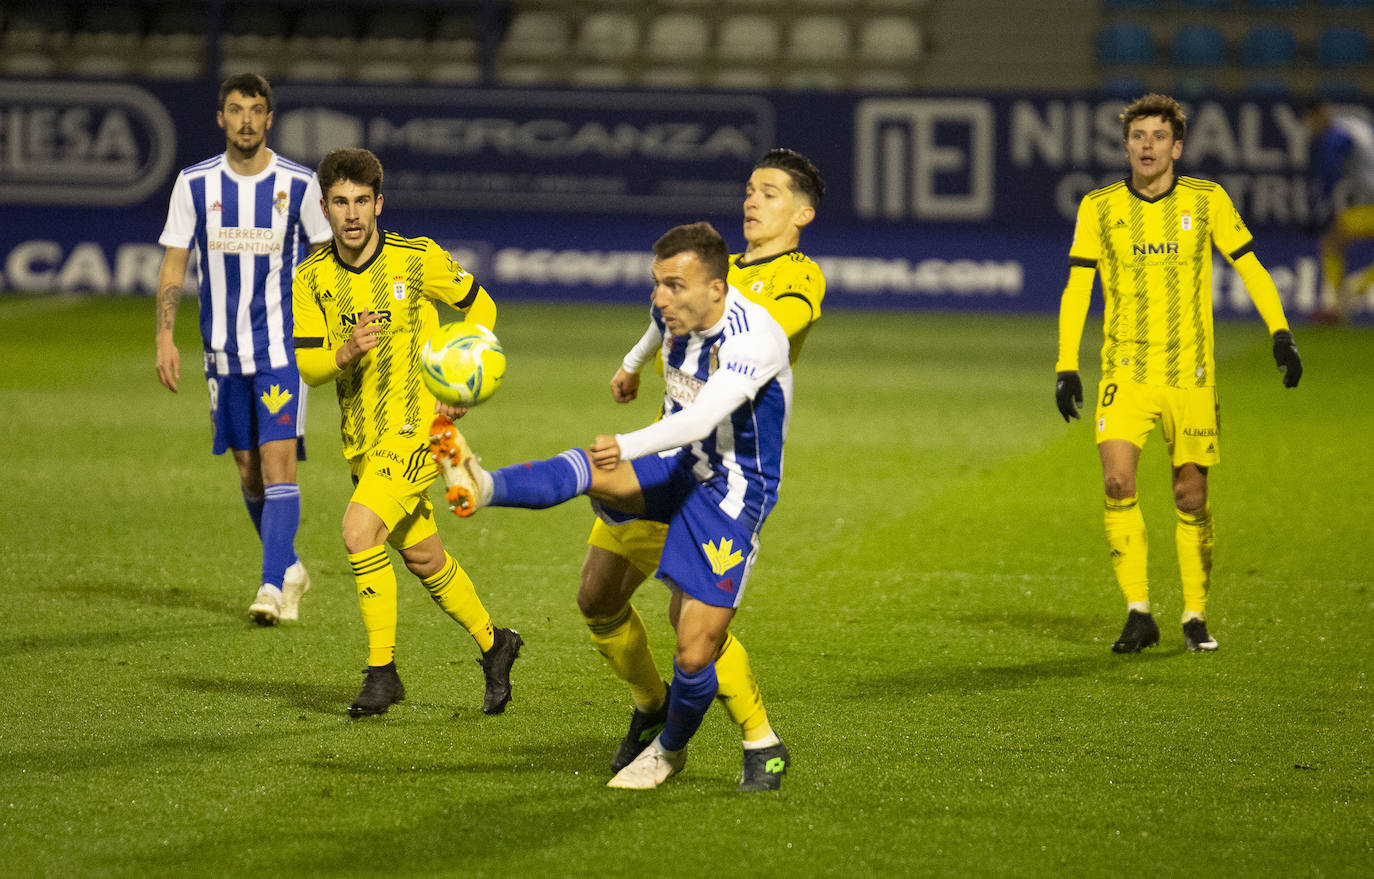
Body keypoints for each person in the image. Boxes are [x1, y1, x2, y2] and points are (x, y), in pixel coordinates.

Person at [430, 222, 793, 789]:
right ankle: (484, 485)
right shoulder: (674, 312)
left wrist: (624, 443)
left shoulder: (755, 340)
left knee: (694, 646)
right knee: (595, 549)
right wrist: (630, 365)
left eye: (675, 286)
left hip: (729, 491)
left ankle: (679, 750)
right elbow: (654, 330)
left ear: (717, 291)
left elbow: (701, 420)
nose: (660, 298)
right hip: (673, 459)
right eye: (656, 284)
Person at [571, 149, 824, 791]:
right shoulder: (719, 269)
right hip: (665, 457)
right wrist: (633, 360)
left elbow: (764, 329)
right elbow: (668, 313)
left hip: (720, 475)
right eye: (749, 189)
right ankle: (651, 706)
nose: (752, 201)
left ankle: (758, 739)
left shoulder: (798, 279)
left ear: (802, 213)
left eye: (769, 193)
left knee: (695, 625)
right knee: (598, 598)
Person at [1054, 93, 1303, 655]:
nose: (1147, 145)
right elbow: (1078, 288)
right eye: (1138, 136)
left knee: (1189, 496)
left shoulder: (1206, 200)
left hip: (1190, 375)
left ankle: (1194, 615)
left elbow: (1252, 268)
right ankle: (1138, 611)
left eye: (1158, 136)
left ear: (1177, 146)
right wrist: (1066, 363)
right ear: (1126, 146)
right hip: (1126, 371)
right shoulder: (1098, 206)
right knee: (1117, 483)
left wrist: (1280, 333)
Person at [291, 147, 522, 718]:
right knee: (423, 558)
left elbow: (482, 308)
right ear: (324, 206)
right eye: (340, 202)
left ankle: (381, 672)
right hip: (362, 440)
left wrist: (459, 383)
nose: (351, 214)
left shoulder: (415, 259)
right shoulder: (311, 277)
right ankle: (496, 645)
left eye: (362, 202)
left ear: (379, 203)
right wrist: (343, 351)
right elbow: (310, 368)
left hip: (419, 429)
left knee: (357, 530)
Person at [156, 73, 332, 626]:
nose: (247, 120)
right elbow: (174, 262)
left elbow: (332, 261)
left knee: (280, 467)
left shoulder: (300, 185)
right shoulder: (195, 183)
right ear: (221, 118)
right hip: (223, 354)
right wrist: (165, 335)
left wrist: (334, 333)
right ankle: (292, 567)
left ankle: (272, 585)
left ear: (270, 119)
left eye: (257, 110)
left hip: (283, 350)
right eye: (236, 110)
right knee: (248, 471)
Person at [1300, 97, 1374, 323]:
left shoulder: (1336, 134)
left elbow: (1332, 162)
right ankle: (1345, 299)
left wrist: (1323, 198)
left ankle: (1347, 296)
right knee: (1333, 241)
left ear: (1321, 113)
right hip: (1369, 202)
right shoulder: (1352, 124)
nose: (1311, 127)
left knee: (1332, 241)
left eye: (1312, 121)